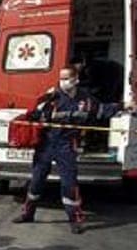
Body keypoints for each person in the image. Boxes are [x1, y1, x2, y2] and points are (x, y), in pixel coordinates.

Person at [12, 65, 123, 234]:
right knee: (36, 181)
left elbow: (101, 111)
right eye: (61, 78)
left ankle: (75, 219)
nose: (63, 82)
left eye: (66, 78)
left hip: (67, 145)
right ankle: (28, 213)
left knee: (69, 184)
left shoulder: (85, 99)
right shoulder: (52, 96)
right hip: (47, 143)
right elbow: (34, 113)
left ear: (75, 79)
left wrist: (122, 107)